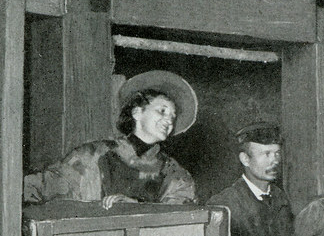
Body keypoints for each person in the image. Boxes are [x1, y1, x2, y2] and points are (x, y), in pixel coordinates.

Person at [23, 70, 198, 207]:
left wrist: (137, 208)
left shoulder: (175, 174)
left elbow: (179, 216)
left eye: (173, 117)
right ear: (137, 112)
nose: (169, 120)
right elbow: (38, 187)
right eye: (162, 111)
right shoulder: (91, 155)